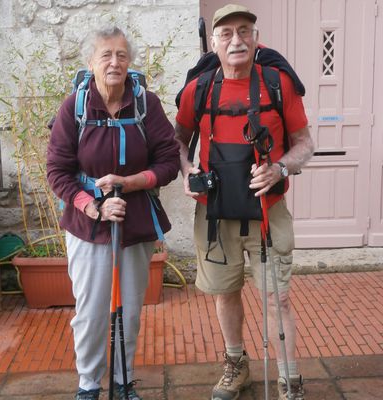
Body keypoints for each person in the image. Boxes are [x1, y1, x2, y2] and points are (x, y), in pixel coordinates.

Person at [175, 4, 314, 400]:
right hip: (215, 214)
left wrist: (281, 169)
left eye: (244, 31)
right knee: (225, 292)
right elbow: (177, 141)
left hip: (268, 211)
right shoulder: (198, 88)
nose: (236, 40)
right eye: (227, 34)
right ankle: (236, 365)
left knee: (278, 296)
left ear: (256, 37)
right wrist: (187, 172)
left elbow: (305, 144)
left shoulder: (277, 84)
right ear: (215, 42)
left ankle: (289, 380)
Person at [47, 26, 180, 400]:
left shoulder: (145, 104)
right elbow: (56, 170)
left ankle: (123, 383)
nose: (114, 62)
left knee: (129, 311)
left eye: (121, 55)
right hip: (87, 225)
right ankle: (89, 384)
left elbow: (169, 162)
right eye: (105, 54)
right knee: (90, 314)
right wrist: (92, 206)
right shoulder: (74, 106)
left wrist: (131, 182)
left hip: (134, 220)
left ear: (129, 62)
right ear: (91, 63)